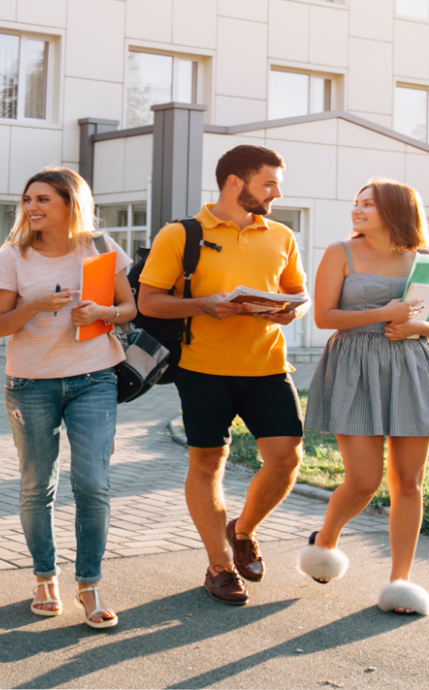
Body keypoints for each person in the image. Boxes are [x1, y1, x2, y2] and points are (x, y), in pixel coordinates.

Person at [136, 145, 308, 606]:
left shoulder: (281, 236)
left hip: (268, 366)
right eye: (268, 182)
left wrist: (287, 311)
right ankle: (219, 564)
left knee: (286, 459)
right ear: (236, 182)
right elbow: (148, 301)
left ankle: (243, 529)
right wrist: (204, 305)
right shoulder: (180, 235)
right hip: (202, 369)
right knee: (207, 463)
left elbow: (296, 291)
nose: (276, 192)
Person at [297, 179, 429, 616]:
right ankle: (326, 539)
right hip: (354, 366)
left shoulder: (425, 261)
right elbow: (323, 316)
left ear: (394, 210)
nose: (357, 210)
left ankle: (401, 581)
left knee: (408, 482)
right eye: (356, 203)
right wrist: (385, 314)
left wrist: (419, 328)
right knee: (364, 481)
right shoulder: (341, 252)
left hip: (413, 368)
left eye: (367, 204)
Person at [0, 168, 136, 629]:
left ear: (70, 203)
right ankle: (44, 577)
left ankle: (88, 584)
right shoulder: (12, 256)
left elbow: (130, 309)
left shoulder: (102, 247)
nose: (32, 207)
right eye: (28, 199)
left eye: (43, 199)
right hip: (30, 383)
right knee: (38, 486)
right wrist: (35, 306)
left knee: (92, 482)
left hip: (93, 379)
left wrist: (103, 312)